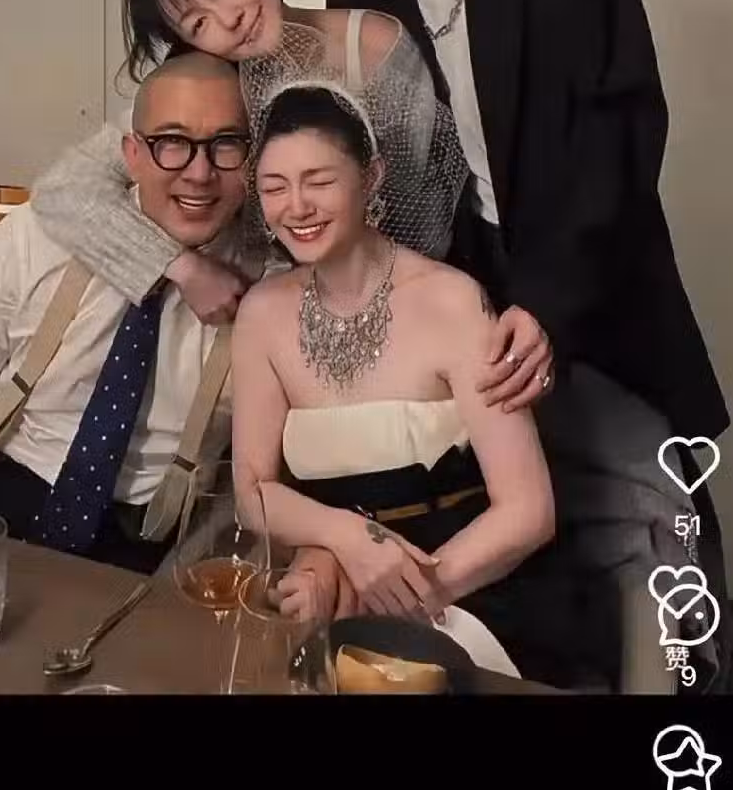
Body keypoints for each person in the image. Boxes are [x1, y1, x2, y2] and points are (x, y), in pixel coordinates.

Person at [292, 0, 730, 687]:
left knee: (659, 507)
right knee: (531, 529)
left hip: (598, 280)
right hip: (468, 304)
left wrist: (550, 305)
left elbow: (623, 142)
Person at [30, 0, 552, 415]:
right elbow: (64, 189)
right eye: (198, 23)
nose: (228, 18)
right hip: (274, 313)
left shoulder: (373, 42)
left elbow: (424, 214)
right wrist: (183, 267)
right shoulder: (217, 91)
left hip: (404, 301)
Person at [230, 83, 620, 690]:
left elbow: (528, 512)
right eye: (274, 187)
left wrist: (395, 596)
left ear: (372, 177)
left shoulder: (453, 301)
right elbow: (252, 491)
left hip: (473, 592)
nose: (296, 206)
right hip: (338, 591)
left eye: (319, 181)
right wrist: (342, 543)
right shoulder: (260, 314)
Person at [0, 54, 260, 574]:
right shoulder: (34, 238)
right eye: (171, 142)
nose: (199, 173)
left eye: (227, 144)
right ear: (131, 155)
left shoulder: (270, 283)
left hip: (149, 536)